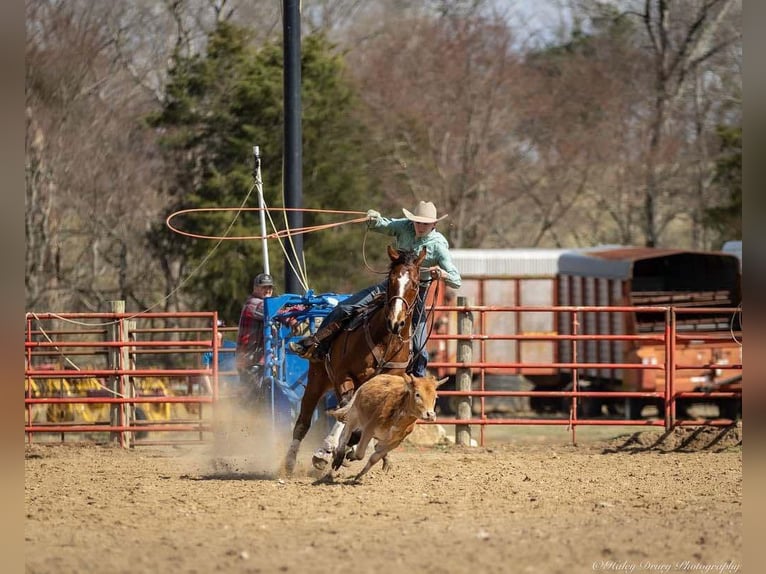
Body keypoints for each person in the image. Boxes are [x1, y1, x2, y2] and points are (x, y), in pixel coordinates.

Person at [288, 200, 462, 377]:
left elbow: (456, 280)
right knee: (345, 308)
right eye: (418, 222)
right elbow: (385, 224)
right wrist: (374, 219)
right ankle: (316, 345)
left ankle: (418, 381)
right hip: (392, 286)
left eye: (425, 223)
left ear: (434, 224)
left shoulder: (439, 245)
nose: (420, 226)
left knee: (419, 345)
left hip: (416, 292)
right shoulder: (404, 226)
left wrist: (442, 274)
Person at [236, 272, 275, 403]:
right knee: (252, 395)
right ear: (256, 288)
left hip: (255, 359)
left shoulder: (260, 304)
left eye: (270, 287)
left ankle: (249, 420)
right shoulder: (254, 304)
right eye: (264, 287)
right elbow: (274, 312)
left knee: (255, 395)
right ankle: (245, 420)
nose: (268, 290)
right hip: (250, 359)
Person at [200, 319, 238, 395]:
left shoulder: (233, 346)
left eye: (220, 330)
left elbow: (241, 364)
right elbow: (205, 374)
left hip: (235, 388)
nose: (217, 333)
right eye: (215, 330)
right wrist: (212, 392)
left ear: (224, 332)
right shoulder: (208, 352)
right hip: (219, 389)